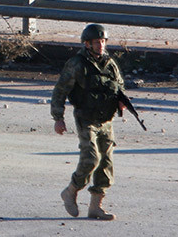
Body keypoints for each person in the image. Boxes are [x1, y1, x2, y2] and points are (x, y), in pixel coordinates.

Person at [51, 23, 125, 221]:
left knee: (106, 163)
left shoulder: (110, 63)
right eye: (96, 42)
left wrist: (121, 101)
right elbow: (60, 91)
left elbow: (119, 85)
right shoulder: (77, 64)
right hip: (86, 118)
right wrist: (58, 118)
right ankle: (71, 190)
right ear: (87, 44)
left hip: (106, 120)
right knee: (91, 159)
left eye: (102, 41)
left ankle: (95, 207)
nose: (100, 46)